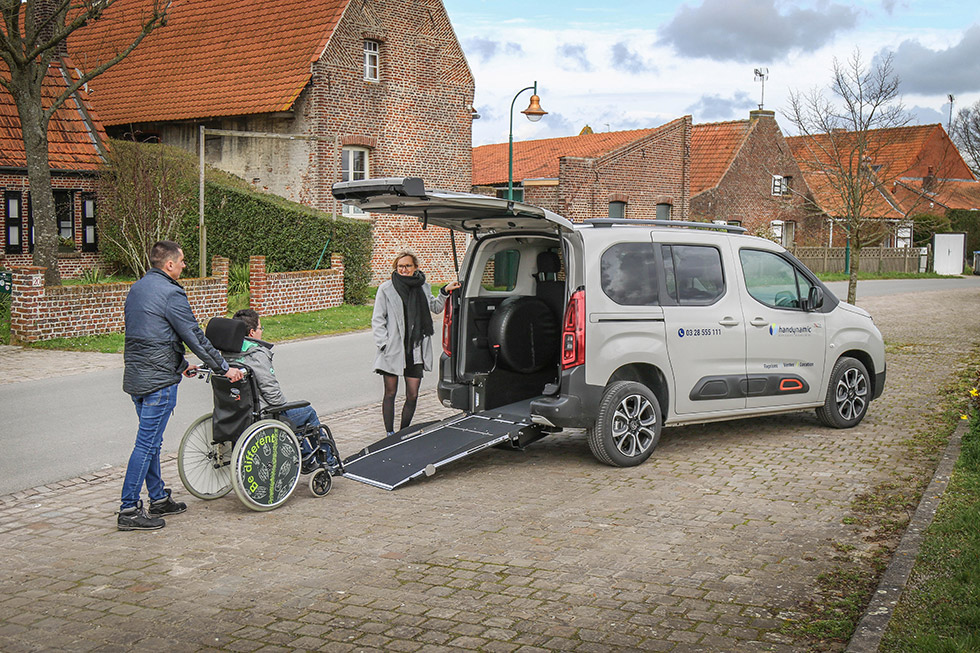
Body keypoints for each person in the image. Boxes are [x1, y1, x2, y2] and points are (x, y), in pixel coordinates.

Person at [119, 240, 243, 531]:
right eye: (183, 261)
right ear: (169, 264)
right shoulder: (171, 293)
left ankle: (159, 498)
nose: (185, 266)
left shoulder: (137, 289)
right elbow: (195, 337)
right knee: (146, 444)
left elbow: (150, 336)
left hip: (138, 377)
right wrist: (224, 368)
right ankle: (128, 508)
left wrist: (181, 364)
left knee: (152, 443)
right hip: (158, 382)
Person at [223, 309, 332, 470]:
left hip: (235, 413)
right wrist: (283, 405)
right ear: (252, 332)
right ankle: (327, 462)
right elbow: (272, 393)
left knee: (293, 419)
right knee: (306, 412)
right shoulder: (256, 354)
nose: (261, 331)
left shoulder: (225, 355)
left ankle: (305, 458)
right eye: (260, 328)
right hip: (262, 415)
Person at [372, 250, 460, 436]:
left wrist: (445, 291)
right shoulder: (386, 289)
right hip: (393, 349)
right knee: (390, 393)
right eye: (400, 266)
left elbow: (435, 307)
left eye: (408, 266)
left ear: (415, 268)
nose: (404, 269)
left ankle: (402, 433)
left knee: (412, 394)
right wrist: (384, 344)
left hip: (415, 349)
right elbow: (378, 319)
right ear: (396, 267)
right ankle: (389, 433)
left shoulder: (423, 287)